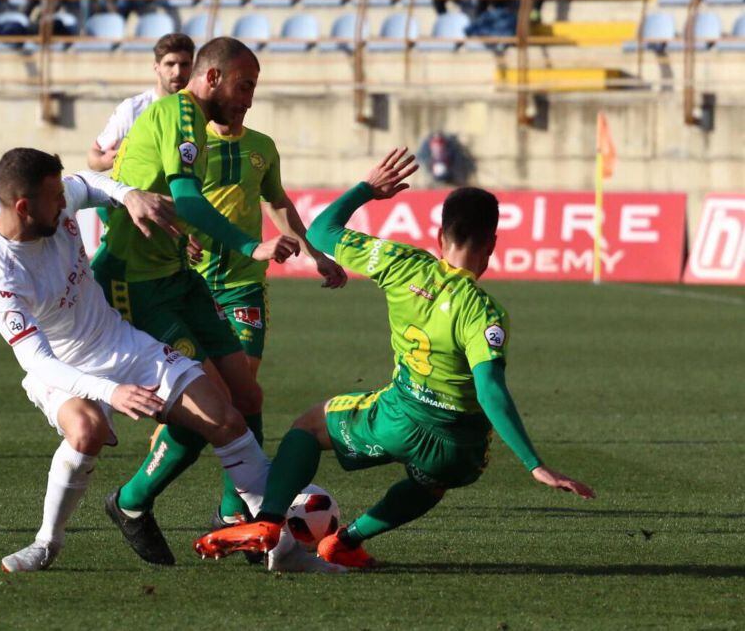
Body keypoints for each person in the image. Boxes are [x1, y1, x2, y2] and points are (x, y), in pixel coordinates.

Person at [196, 149, 595, 572]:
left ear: (441, 238)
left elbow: (323, 229)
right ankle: (346, 542)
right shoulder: (484, 312)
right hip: (461, 448)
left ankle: (270, 521)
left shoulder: (403, 265)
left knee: (310, 426)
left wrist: (367, 189)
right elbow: (490, 389)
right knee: (433, 483)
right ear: (492, 244)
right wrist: (534, 465)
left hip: (399, 418)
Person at [0, 148, 275, 572]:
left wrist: (130, 195)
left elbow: (89, 182)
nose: (65, 205)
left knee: (226, 420)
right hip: (62, 366)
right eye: (54, 198)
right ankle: (47, 542)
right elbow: (37, 360)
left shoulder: (57, 203)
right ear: (24, 207)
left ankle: (277, 531)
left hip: (120, 342)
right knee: (87, 431)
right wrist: (110, 392)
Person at [92, 37, 308, 568]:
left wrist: (176, 234)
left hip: (178, 276)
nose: (250, 99)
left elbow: (162, 196)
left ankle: (244, 515)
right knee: (212, 409)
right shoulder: (181, 115)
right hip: (136, 286)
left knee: (246, 397)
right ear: (212, 78)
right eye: (244, 85)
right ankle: (136, 502)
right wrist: (247, 244)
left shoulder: (199, 126)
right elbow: (184, 197)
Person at [191, 106, 348, 530]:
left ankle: (232, 507)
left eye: (250, 87)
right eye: (239, 85)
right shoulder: (190, 143)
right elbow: (169, 199)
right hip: (191, 282)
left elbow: (277, 202)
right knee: (209, 394)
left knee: (244, 386)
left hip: (245, 282)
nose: (244, 97)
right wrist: (178, 236)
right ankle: (142, 494)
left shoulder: (261, 147)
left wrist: (316, 255)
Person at [88, 32, 195, 172]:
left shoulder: (200, 109)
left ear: (192, 67)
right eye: (170, 64)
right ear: (156, 67)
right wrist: (104, 161)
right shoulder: (133, 109)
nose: (177, 71)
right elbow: (93, 156)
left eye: (184, 64)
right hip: (140, 191)